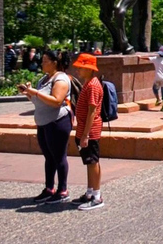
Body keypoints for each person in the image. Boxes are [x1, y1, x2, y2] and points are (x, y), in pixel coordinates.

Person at [20, 50, 72, 204]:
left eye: (45, 61)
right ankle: (49, 188)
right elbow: (40, 101)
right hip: (43, 123)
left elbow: (56, 101)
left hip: (58, 122)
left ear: (54, 62)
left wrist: (35, 92)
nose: (42, 63)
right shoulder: (44, 79)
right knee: (49, 157)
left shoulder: (61, 79)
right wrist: (29, 93)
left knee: (59, 156)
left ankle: (63, 190)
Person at [71, 53, 105, 210]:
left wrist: (85, 134)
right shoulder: (89, 83)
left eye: (81, 67)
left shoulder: (92, 85)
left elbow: (92, 111)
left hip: (90, 130)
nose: (78, 69)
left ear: (89, 69)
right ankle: (90, 192)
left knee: (92, 162)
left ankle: (97, 196)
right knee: (89, 161)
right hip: (85, 129)